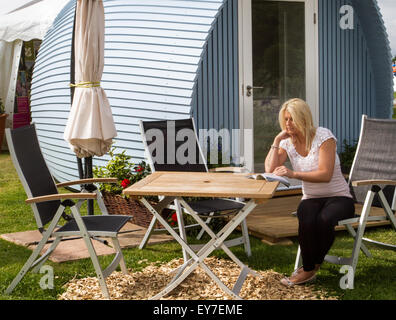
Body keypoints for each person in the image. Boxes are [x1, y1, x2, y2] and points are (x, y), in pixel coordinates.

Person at [264, 98, 355, 286]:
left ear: (304, 119)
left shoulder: (323, 136)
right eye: (286, 119)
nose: (288, 124)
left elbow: (325, 174)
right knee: (305, 216)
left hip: (339, 197)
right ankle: (309, 268)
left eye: (292, 119)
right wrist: (276, 140)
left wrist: (293, 173)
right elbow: (270, 168)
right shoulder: (288, 142)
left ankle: (309, 268)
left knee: (324, 219)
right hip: (311, 197)